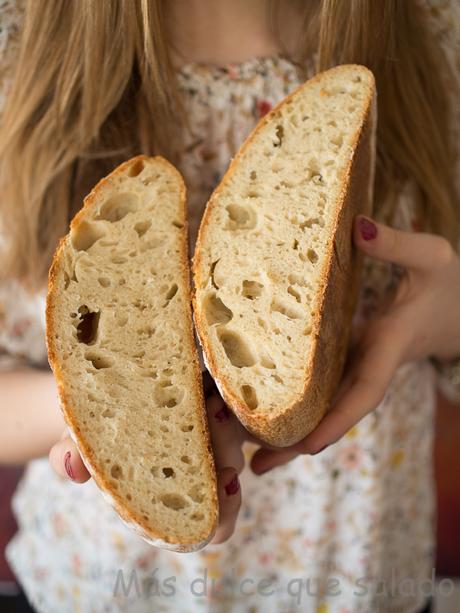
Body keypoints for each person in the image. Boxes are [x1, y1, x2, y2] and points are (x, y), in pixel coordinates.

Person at [1, 0, 459, 611]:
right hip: (106, 588)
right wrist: (112, 422)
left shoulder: (435, 33)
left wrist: (441, 323)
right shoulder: (18, 48)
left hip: (362, 574)